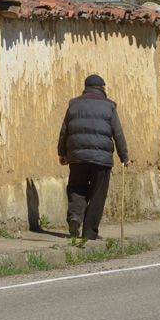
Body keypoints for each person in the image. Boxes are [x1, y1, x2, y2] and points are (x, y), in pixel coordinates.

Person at [57, 74, 130, 241]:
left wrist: (62, 153)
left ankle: (75, 215)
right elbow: (118, 134)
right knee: (98, 194)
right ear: (102, 88)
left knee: (77, 187)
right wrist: (124, 157)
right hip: (101, 159)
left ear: (86, 87)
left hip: (77, 156)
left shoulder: (73, 104)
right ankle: (89, 233)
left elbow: (64, 131)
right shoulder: (109, 106)